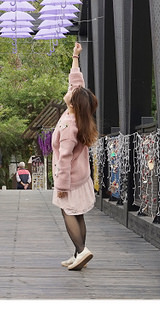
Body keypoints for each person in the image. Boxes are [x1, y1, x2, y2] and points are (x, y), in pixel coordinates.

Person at [52, 42, 99, 270]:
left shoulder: (69, 125)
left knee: (67, 211)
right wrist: (75, 58)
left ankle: (82, 251)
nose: (69, 90)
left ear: (72, 102)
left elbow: (64, 158)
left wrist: (61, 185)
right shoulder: (80, 116)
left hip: (69, 177)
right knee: (78, 212)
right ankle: (77, 254)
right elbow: (77, 84)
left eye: (71, 93)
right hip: (82, 176)